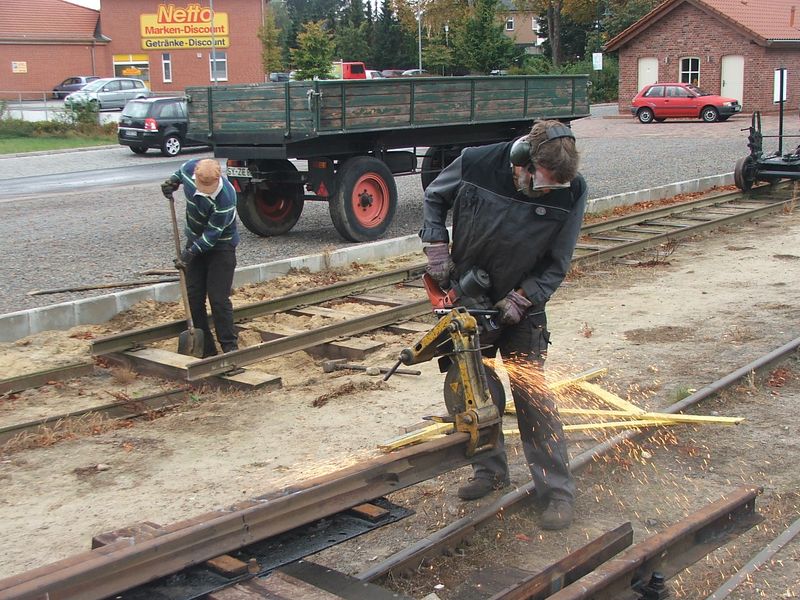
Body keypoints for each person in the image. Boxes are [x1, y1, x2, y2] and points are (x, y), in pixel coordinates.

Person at [419, 120, 587, 531]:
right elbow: (434, 198)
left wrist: (521, 298)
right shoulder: (477, 163)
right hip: (468, 297)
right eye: (540, 183)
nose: (543, 192)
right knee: (472, 390)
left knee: (534, 399)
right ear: (522, 161)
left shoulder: (573, 190)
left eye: (551, 190)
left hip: (522, 308)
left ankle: (556, 491)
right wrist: (437, 247)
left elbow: (557, 264)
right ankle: (489, 470)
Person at [161, 158, 240, 358]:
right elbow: (179, 174)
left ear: (218, 176)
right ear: (195, 175)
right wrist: (171, 183)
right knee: (194, 296)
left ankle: (229, 346)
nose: (206, 190)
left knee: (218, 298)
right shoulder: (189, 170)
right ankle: (206, 348)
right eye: (202, 186)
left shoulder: (226, 197)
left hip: (222, 245)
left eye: (209, 187)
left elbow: (213, 235)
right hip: (195, 239)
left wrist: (190, 253)